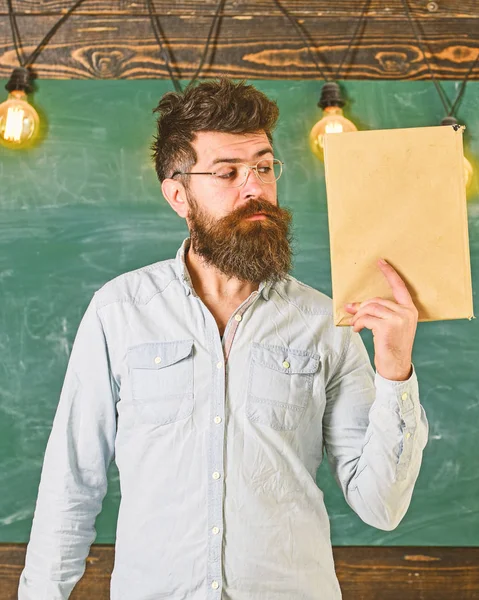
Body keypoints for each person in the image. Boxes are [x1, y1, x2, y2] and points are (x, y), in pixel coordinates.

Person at [18, 78, 428, 600]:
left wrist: (395, 367)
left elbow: (382, 506)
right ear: (178, 195)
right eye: (227, 173)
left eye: (262, 166)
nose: (254, 186)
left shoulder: (327, 321)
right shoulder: (119, 312)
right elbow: (71, 484)